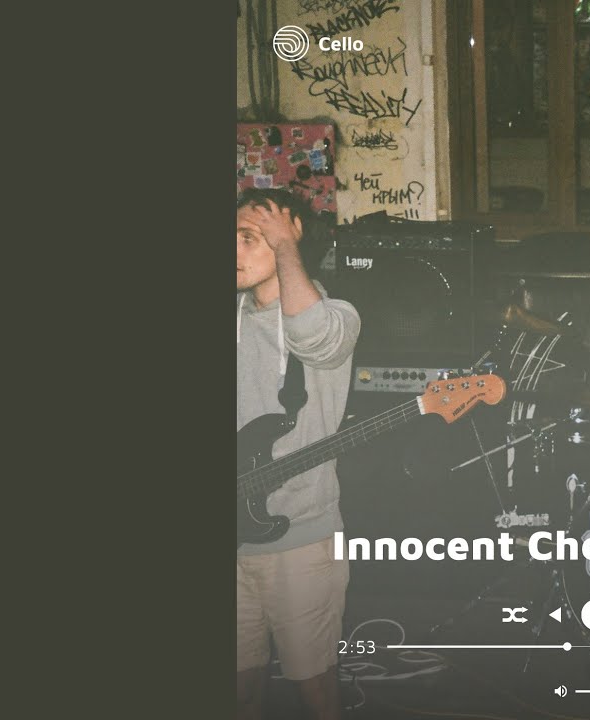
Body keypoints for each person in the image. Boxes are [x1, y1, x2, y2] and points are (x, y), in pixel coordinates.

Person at [236, 187, 361, 720]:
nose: (233, 251)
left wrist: (287, 247)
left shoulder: (337, 316)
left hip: (301, 539)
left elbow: (313, 338)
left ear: (292, 236)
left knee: (315, 691)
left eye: (249, 238)